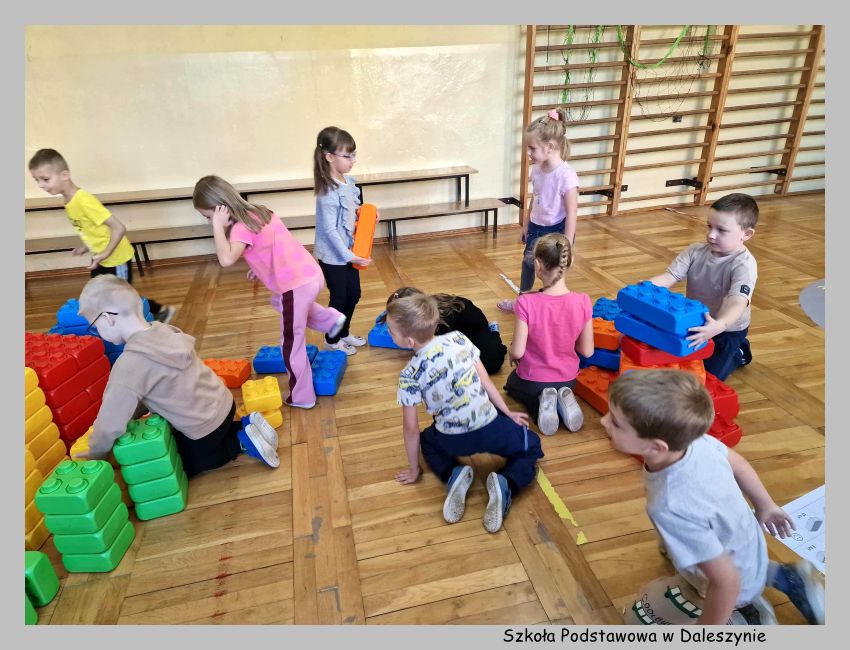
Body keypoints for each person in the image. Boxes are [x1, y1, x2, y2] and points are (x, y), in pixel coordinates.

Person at [604, 370, 824, 626]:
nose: (603, 421)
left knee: (643, 617)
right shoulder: (698, 442)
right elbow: (739, 464)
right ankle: (787, 578)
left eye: (615, 422)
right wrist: (765, 505)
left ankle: (750, 615)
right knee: (732, 566)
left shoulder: (668, 506)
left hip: (731, 585)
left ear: (656, 447)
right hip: (748, 546)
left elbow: (726, 581)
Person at [76, 275, 279, 475]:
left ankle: (241, 443)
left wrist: (96, 455)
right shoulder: (166, 331)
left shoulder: (129, 364)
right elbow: (147, 389)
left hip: (203, 428)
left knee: (180, 464)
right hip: (225, 404)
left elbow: (109, 423)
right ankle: (246, 425)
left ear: (107, 318)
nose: (98, 333)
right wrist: (134, 414)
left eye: (95, 327)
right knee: (211, 434)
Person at [386, 293, 543, 534]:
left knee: (428, 440)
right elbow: (486, 382)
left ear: (408, 341)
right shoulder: (459, 339)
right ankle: (507, 482)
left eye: (390, 331)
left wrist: (414, 469)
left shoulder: (409, 375)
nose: (389, 334)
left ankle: (454, 473)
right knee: (531, 445)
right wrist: (508, 412)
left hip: (452, 439)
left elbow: (410, 429)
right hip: (491, 427)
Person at [193, 175, 346, 409]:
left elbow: (226, 259)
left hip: (295, 285)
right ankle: (331, 320)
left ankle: (302, 396)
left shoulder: (239, 229)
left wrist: (217, 226)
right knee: (281, 303)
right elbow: (272, 244)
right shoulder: (260, 212)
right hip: (310, 274)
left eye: (208, 217)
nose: (208, 222)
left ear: (220, 208)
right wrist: (259, 267)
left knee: (291, 343)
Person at [28, 148, 175, 323]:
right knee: (100, 293)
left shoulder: (83, 200)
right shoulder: (69, 200)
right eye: (37, 180)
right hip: (100, 256)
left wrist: (105, 253)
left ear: (64, 175)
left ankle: (157, 312)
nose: (41, 185)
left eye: (45, 179)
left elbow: (119, 228)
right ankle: (116, 325)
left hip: (116, 257)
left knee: (122, 295)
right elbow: (93, 229)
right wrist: (86, 247)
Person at [647, 192, 759, 381]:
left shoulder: (744, 265)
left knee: (708, 376)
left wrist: (720, 325)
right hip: (696, 321)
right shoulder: (695, 251)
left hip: (726, 329)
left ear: (746, 234)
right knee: (673, 360)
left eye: (721, 230)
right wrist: (647, 287)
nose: (711, 235)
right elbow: (670, 276)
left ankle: (739, 351)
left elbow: (737, 302)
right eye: (709, 226)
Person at [504, 233, 593, 436]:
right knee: (555, 386)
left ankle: (541, 406)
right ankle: (564, 401)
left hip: (533, 379)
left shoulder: (526, 302)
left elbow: (518, 352)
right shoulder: (583, 301)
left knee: (512, 385)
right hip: (568, 379)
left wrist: (511, 352)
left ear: (537, 265)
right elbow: (587, 351)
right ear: (570, 262)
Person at [497, 108, 579, 313]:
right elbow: (536, 197)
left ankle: (554, 304)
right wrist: (526, 225)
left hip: (557, 230)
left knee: (552, 270)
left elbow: (572, 213)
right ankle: (522, 302)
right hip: (536, 226)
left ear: (549, 147)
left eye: (532, 148)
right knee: (528, 264)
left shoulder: (566, 176)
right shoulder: (537, 169)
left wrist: (568, 244)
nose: (529, 153)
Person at [313, 126, 373, 356]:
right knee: (339, 297)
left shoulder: (348, 182)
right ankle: (331, 338)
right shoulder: (327, 192)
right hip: (333, 255)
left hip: (350, 251)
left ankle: (344, 332)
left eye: (354, 155)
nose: (353, 160)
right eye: (348, 156)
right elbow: (329, 230)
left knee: (353, 294)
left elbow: (352, 211)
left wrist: (367, 215)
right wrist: (349, 256)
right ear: (329, 157)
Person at [383, 287, 507, 374]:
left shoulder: (434, 324)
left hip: (474, 331)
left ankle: (494, 331)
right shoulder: (426, 313)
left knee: (492, 364)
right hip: (456, 333)